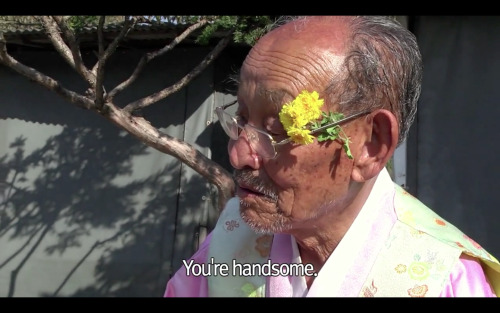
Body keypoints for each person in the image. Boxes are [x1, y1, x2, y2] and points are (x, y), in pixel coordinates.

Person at [164, 15, 500, 297]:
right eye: (241, 119)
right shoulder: (228, 244)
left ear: (372, 146)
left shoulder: (444, 279)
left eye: (279, 129)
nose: (238, 156)